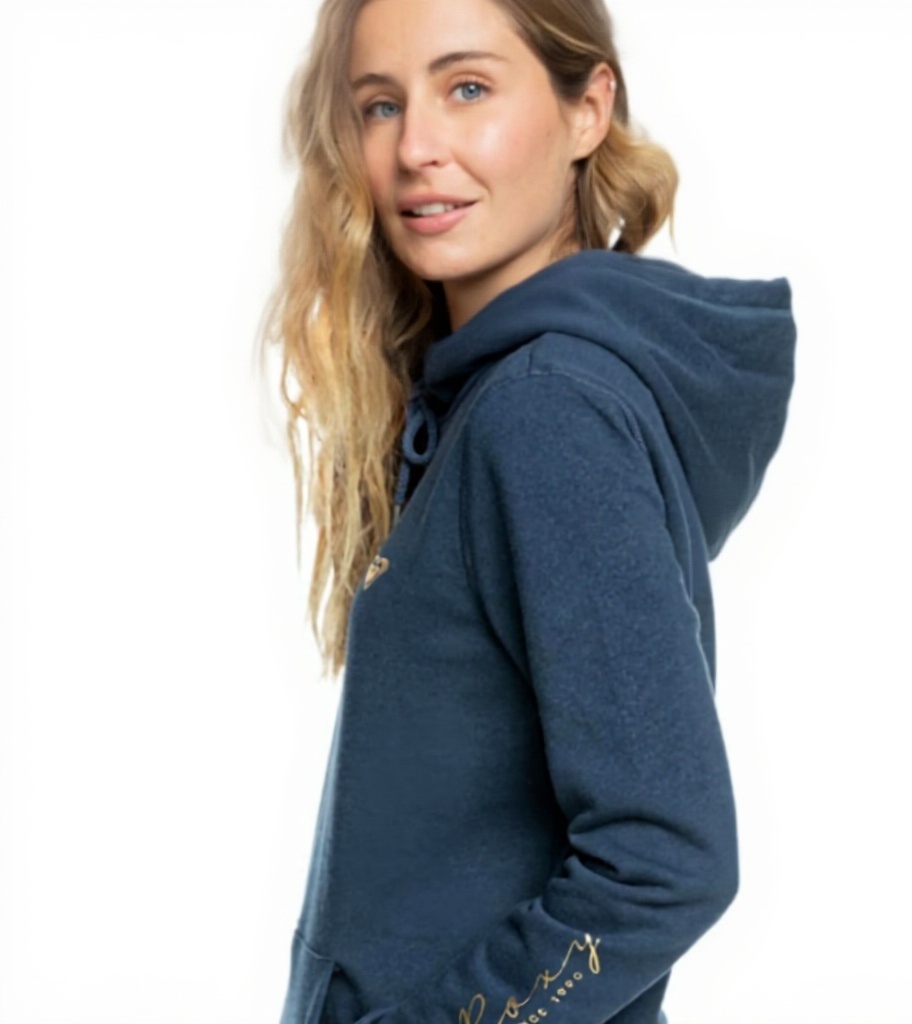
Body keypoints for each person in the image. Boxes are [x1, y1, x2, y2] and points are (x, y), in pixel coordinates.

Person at [259, 1, 797, 1022]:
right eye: (380, 105)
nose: (415, 148)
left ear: (588, 110)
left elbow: (666, 859)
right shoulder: (497, 399)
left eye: (467, 88)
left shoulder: (546, 413)